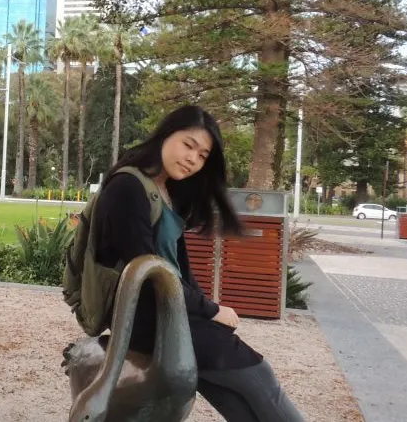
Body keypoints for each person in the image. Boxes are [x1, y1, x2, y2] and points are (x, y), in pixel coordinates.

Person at [93, 105, 304, 422]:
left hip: (170, 313)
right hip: (144, 319)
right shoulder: (127, 188)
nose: (193, 158)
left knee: (236, 399)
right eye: (188, 145)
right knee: (260, 376)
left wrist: (207, 308)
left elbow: (180, 270)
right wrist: (212, 310)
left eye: (202, 155)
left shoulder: (166, 191)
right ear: (166, 134)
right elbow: (147, 276)